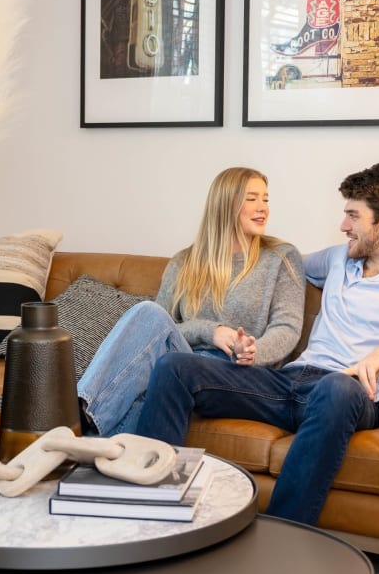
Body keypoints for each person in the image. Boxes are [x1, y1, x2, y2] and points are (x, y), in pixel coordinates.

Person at [134, 163, 379, 525]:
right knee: (176, 368)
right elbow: (271, 263)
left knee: (337, 387)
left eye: (353, 216)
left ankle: (282, 533)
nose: (343, 226)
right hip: (286, 384)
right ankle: (146, 506)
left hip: (349, 392)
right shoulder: (338, 259)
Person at [77, 166, 305, 436]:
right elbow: (160, 331)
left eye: (265, 199)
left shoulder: (280, 257)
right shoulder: (185, 262)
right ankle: (102, 457)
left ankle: (78, 415)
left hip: (240, 372)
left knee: (152, 354)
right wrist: (212, 332)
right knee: (149, 319)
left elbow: (287, 327)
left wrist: (252, 351)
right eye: (252, 198)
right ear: (225, 204)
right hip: (179, 367)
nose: (263, 207)